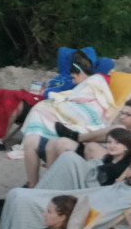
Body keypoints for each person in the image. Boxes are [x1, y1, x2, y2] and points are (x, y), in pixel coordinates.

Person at [0, 47, 114, 154]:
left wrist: (89, 62)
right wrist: (43, 88)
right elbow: (63, 52)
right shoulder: (63, 74)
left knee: (11, 99)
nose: (78, 61)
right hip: (37, 96)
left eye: (82, 60)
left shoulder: (85, 79)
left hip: (47, 103)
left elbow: (108, 63)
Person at [0, 153, 131, 229]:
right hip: (77, 201)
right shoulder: (124, 185)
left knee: (20, 196)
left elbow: (110, 218)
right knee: (17, 194)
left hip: (74, 214)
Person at [21, 54, 118, 186]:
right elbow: (74, 97)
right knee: (30, 140)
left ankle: (49, 185)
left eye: (74, 77)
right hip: (68, 130)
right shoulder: (85, 84)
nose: (73, 82)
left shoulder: (95, 81)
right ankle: (33, 185)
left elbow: (90, 106)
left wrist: (65, 104)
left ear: (82, 73)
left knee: (56, 112)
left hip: (81, 129)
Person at [36, 127, 131, 191]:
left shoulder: (124, 166)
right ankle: (42, 190)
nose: (112, 146)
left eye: (117, 143)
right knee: (67, 160)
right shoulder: (109, 158)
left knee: (69, 158)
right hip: (85, 182)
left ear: (126, 146)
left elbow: (100, 182)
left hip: (90, 190)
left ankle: (41, 190)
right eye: (109, 142)